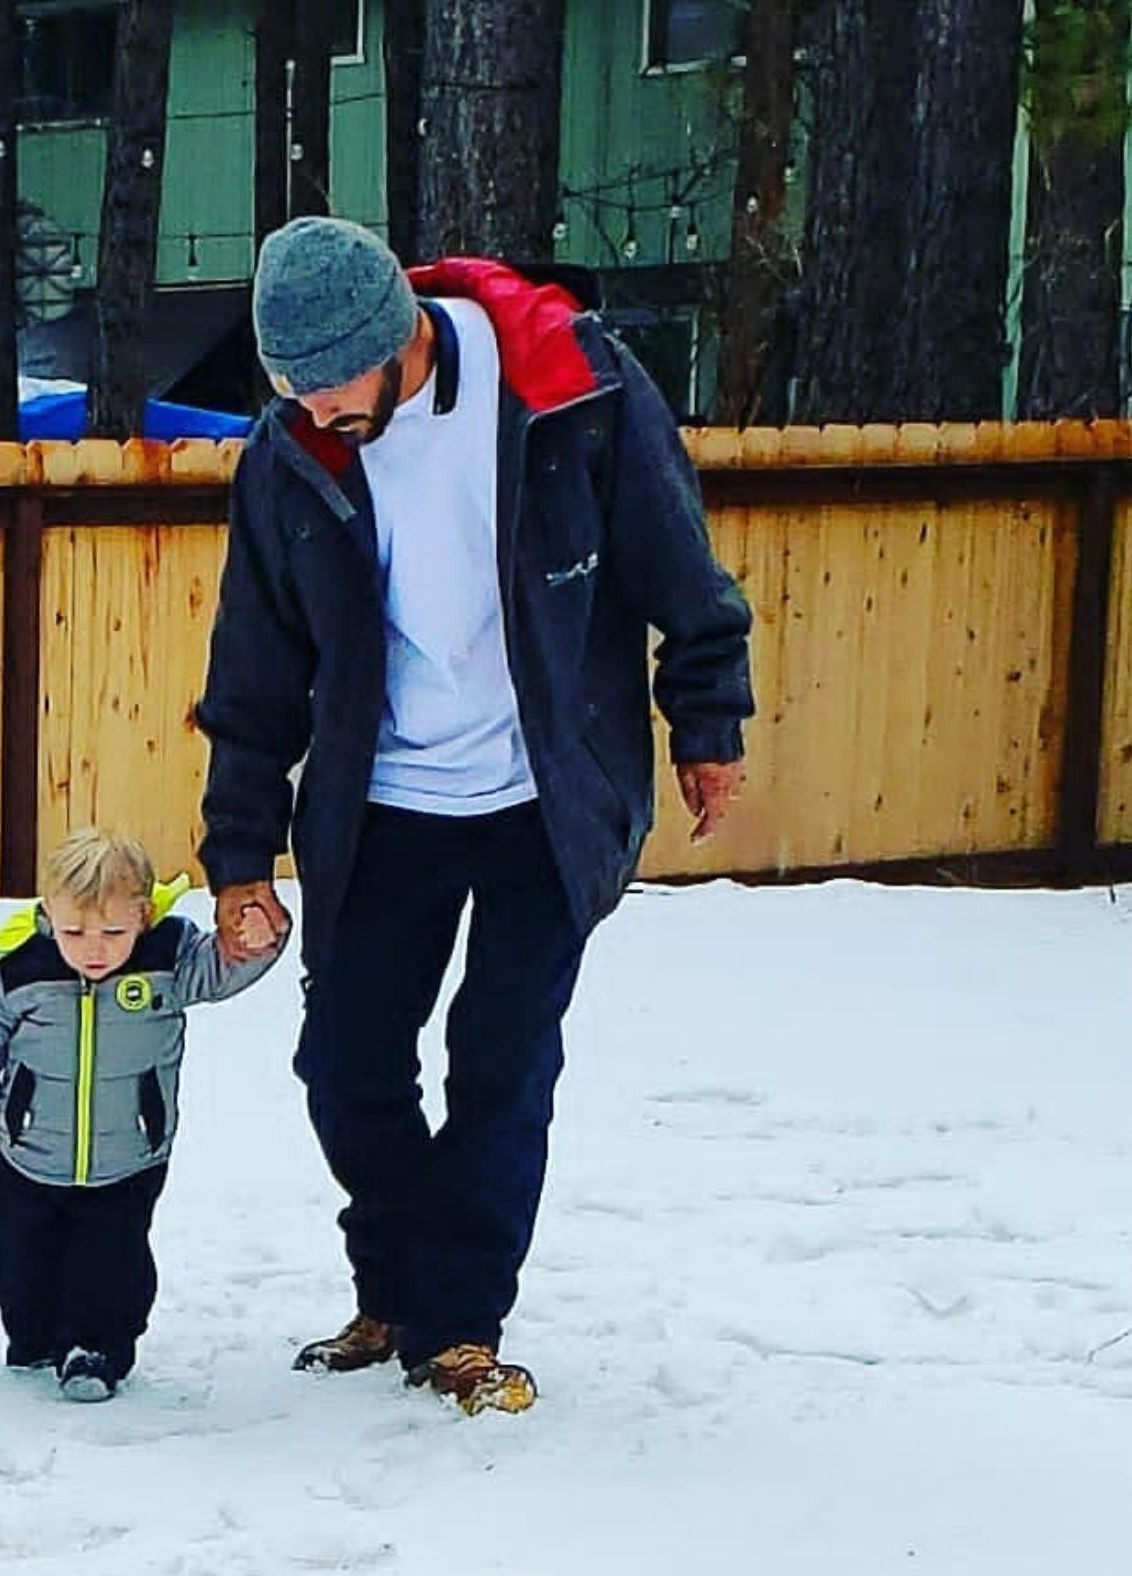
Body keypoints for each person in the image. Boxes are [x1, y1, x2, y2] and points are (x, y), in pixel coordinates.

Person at [194, 216, 754, 1416]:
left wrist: (705, 719)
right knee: (345, 1063)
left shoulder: (570, 386)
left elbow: (673, 549)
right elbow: (253, 663)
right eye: (292, 401)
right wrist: (241, 850)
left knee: (500, 1063)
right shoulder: (290, 453)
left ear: (399, 343)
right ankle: (395, 1287)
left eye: (337, 401)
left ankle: (458, 1323)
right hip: (381, 800)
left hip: (543, 792)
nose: (315, 423)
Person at [0, 826, 282, 1400]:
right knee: (1, 1240)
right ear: (49, 913)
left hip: (129, 1156)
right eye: (74, 930)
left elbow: (224, 968)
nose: (93, 948)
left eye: (113, 932)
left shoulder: (169, 961)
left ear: (143, 916)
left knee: (109, 1259)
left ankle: (94, 1349)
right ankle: (35, 1330)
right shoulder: (21, 969)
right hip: (29, 1153)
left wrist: (255, 939)